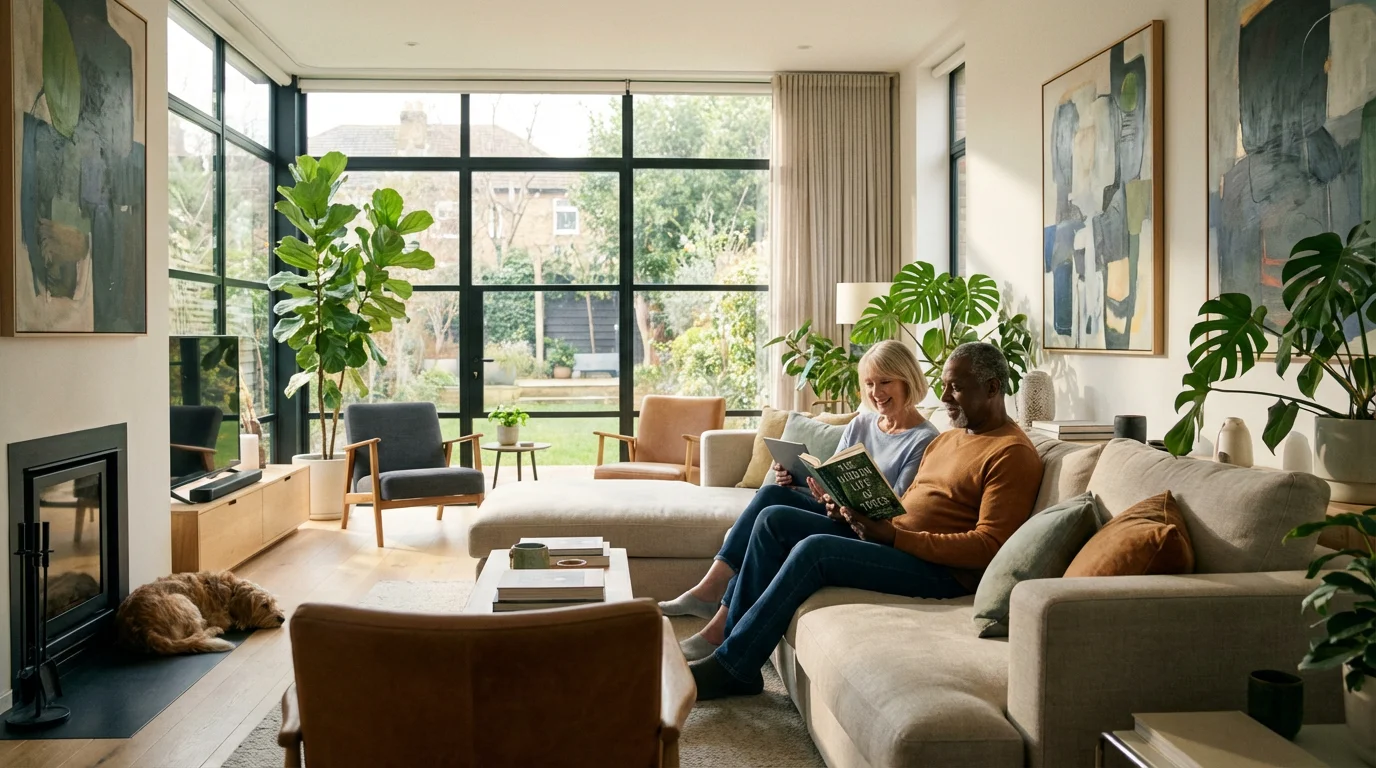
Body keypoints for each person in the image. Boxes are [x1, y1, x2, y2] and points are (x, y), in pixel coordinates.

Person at [688, 342, 1043, 700]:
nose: (945, 396)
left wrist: (893, 537)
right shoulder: (951, 439)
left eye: (957, 387)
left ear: (993, 387)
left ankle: (732, 667)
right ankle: (736, 653)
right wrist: (852, 512)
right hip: (898, 540)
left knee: (817, 551)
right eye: (945, 384)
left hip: (942, 570)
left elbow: (989, 547)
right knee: (774, 520)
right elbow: (909, 504)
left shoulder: (1011, 453)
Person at [659, 340, 940, 661]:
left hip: (867, 531)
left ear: (908, 379)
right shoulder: (863, 423)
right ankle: (710, 588)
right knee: (772, 493)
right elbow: (835, 474)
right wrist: (799, 480)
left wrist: (846, 503)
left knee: (774, 519)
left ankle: (718, 624)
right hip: (838, 513)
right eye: (870, 384)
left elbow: (898, 508)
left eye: (885, 382)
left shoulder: (924, 439)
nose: (876, 392)